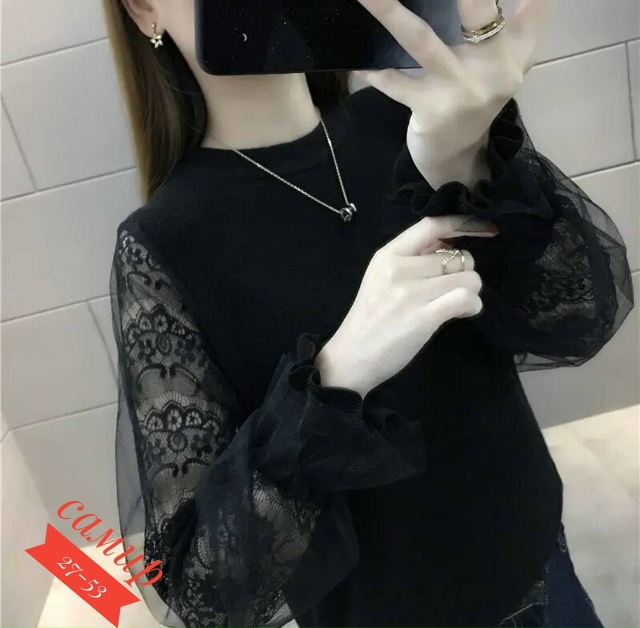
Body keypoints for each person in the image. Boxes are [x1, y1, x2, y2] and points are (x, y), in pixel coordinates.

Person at [104, 1, 634, 627]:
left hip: (539, 563)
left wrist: (468, 164)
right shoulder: (164, 243)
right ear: (143, 9)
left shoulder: (421, 113)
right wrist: (336, 376)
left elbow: (578, 319)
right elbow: (204, 595)